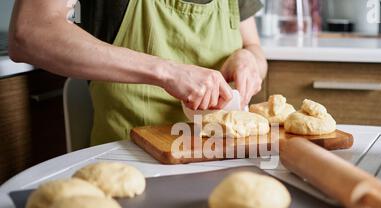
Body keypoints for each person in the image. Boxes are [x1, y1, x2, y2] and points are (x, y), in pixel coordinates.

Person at [9, 0, 268, 145]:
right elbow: (29, 32)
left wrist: (248, 59)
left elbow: (253, 46)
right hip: (129, 161)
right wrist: (167, 72)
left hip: (223, 157)